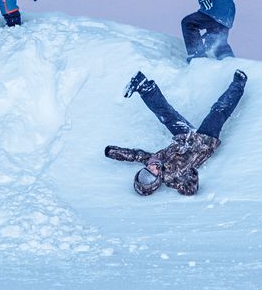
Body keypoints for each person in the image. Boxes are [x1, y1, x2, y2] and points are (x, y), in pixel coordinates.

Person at [104, 69, 247, 196]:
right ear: (156, 181)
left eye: (145, 171)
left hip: (184, 137)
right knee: (218, 112)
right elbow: (190, 189)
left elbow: (135, 155)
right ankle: (238, 85)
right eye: (151, 175)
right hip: (203, 142)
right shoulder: (171, 178)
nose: (151, 168)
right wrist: (190, 175)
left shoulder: (153, 160)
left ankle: (143, 86)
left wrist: (112, 152)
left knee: (166, 114)